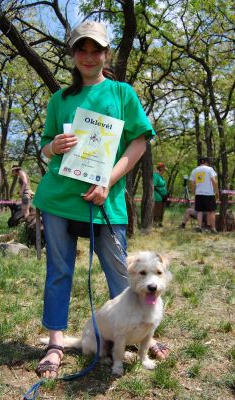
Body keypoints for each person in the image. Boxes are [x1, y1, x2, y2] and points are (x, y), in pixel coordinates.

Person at [33, 21, 168, 379]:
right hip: (58, 200)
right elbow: (47, 146)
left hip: (106, 203)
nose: (89, 56)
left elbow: (139, 142)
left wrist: (107, 182)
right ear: (73, 54)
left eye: (97, 50)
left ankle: (141, 332)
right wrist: (52, 146)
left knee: (123, 275)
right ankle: (56, 343)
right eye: (82, 49)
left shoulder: (123, 93)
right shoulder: (59, 99)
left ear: (107, 54)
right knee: (58, 272)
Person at [190, 156, 218, 233]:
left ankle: (199, 228)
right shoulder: (209, 169)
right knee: (212, 211)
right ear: (206, 162)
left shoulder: (194, 170)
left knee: (199, 211)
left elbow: (192, 183)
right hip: (209, 194)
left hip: (198, 193)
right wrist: (216, 191)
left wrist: (194, 192)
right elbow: (213, 181)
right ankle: (213, 228)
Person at [153, 162, 168, 227]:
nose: (164, 171)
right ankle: (155, 222)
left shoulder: (161, 176)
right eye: (164, 169)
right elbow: (154, 186)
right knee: (157, 210)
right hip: (157, 196)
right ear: (161, 168)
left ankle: (160, 222)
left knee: (162, 210)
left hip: (163, 197)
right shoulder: (155, 175)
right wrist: (161, 194)